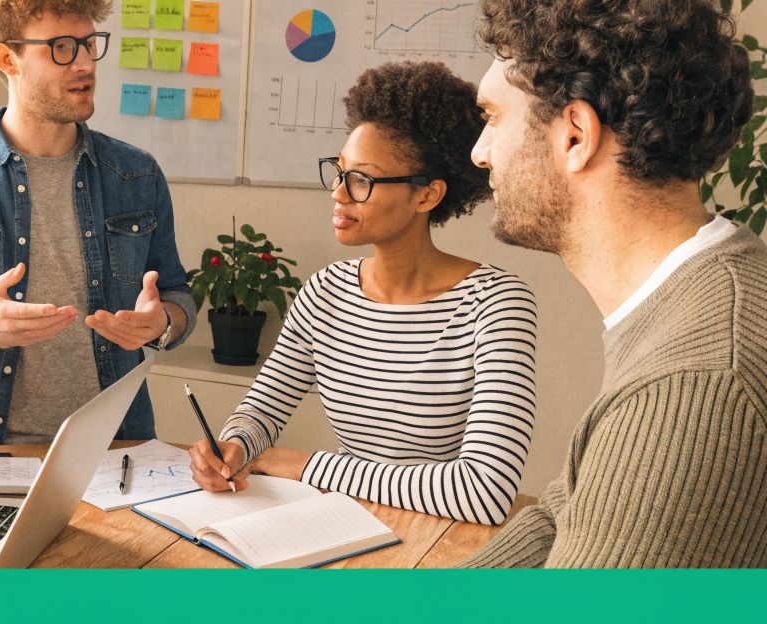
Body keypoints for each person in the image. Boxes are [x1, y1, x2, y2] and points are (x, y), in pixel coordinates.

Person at [460, 0, 765, 567]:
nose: (480, 154)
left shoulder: (691, 387)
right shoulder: (699, 290)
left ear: (576, 134)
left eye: (492, 118)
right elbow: (565, 512)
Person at [189, 61, 538, 525]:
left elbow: (483, 491)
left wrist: (304, 466)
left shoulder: (496, 305)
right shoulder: (327, 291)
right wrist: (233, 447)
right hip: (344, 524)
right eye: (340, 171)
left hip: (442, 543)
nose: (338, 192)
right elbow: (263, 409)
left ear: (427, 195)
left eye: (362, 180)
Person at [0, 0, 196, 446]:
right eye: (63, 48)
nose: (86, 63)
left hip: (116, 448)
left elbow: (177, 294)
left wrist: (162, 322)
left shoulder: (137, 175)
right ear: (7, 58)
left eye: (89, 44)